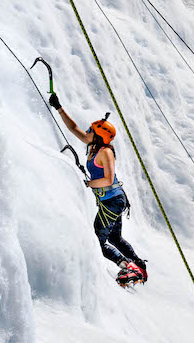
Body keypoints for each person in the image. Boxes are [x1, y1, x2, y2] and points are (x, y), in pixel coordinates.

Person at [49, 91, 148, 285]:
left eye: (91, 129)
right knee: (115, 237)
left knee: (99, 239)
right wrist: (59, 108)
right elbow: (74, 129)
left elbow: (109, 179)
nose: (88, 130)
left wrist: (88, 183)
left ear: (99, 136)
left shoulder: (105, 153)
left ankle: (128, 267)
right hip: (113, 200)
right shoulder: (94, 145)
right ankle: (139, 267)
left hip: (112, 201)